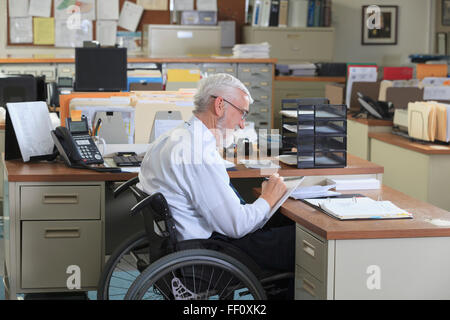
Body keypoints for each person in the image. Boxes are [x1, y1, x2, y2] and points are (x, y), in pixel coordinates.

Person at [138, 73, 295, 298]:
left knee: (280, 222)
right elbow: (237, 226)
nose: (242, 124)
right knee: (299, 241)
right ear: (220, 105)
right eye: (242, 113)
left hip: (182, 245)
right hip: (206, 254)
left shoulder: (172, 137)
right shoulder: (198, 153)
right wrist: (268, 198)